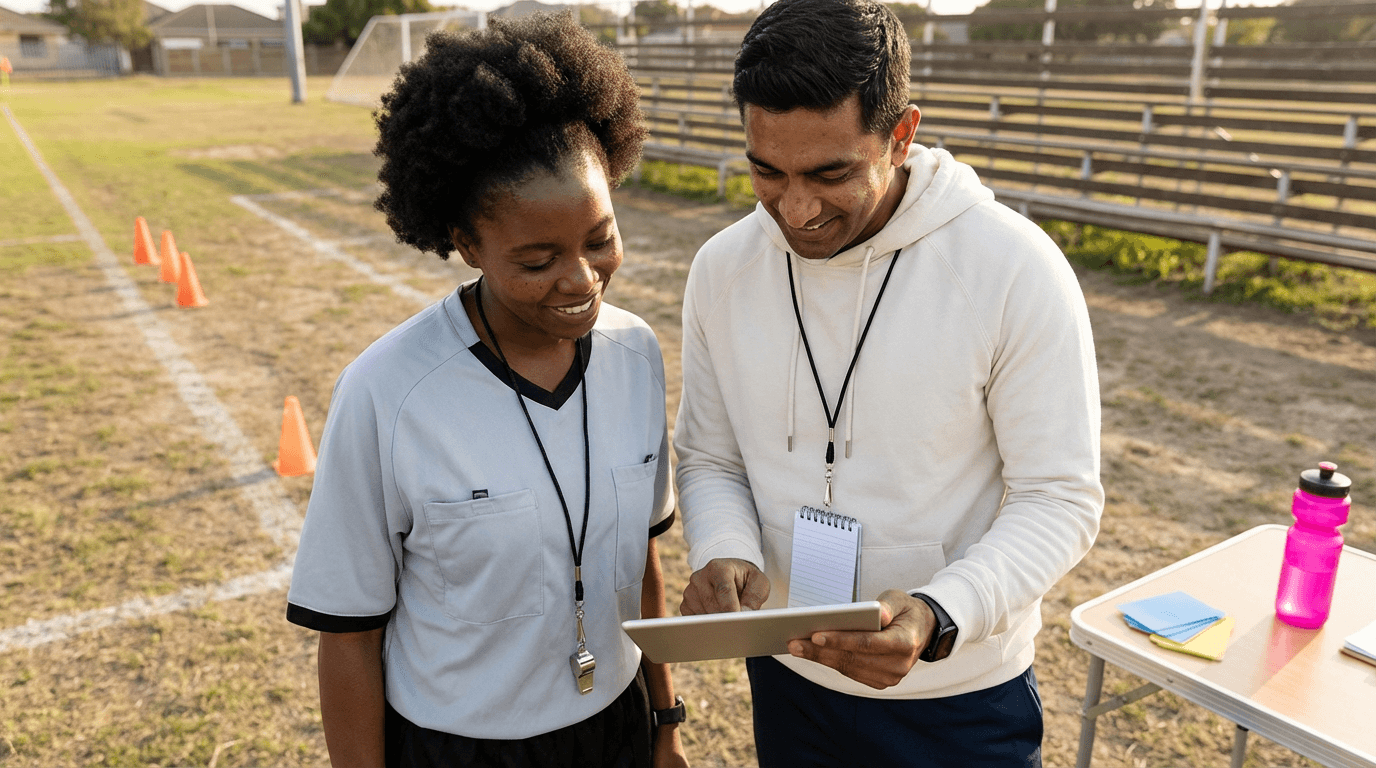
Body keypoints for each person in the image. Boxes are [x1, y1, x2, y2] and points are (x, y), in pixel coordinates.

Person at [673, 0, 1103, 764]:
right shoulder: (722, 270)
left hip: (959, 699)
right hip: (789, 678)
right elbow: (711, 458)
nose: (796, 209)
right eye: (766, 171)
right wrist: (726, 547)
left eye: (831, 173)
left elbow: (1059, 497)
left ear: (901, 135)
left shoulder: (1013, 269)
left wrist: (941, 614)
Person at [286, 14, 689, 768]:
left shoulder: (634, 353)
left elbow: (642, 564)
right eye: (537, 259)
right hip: (461, 748)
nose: (581, 280)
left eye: (599, 238)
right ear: (465, 243)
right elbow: (348, 636)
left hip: (620, 725)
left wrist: (665, 722)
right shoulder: (386, 392)